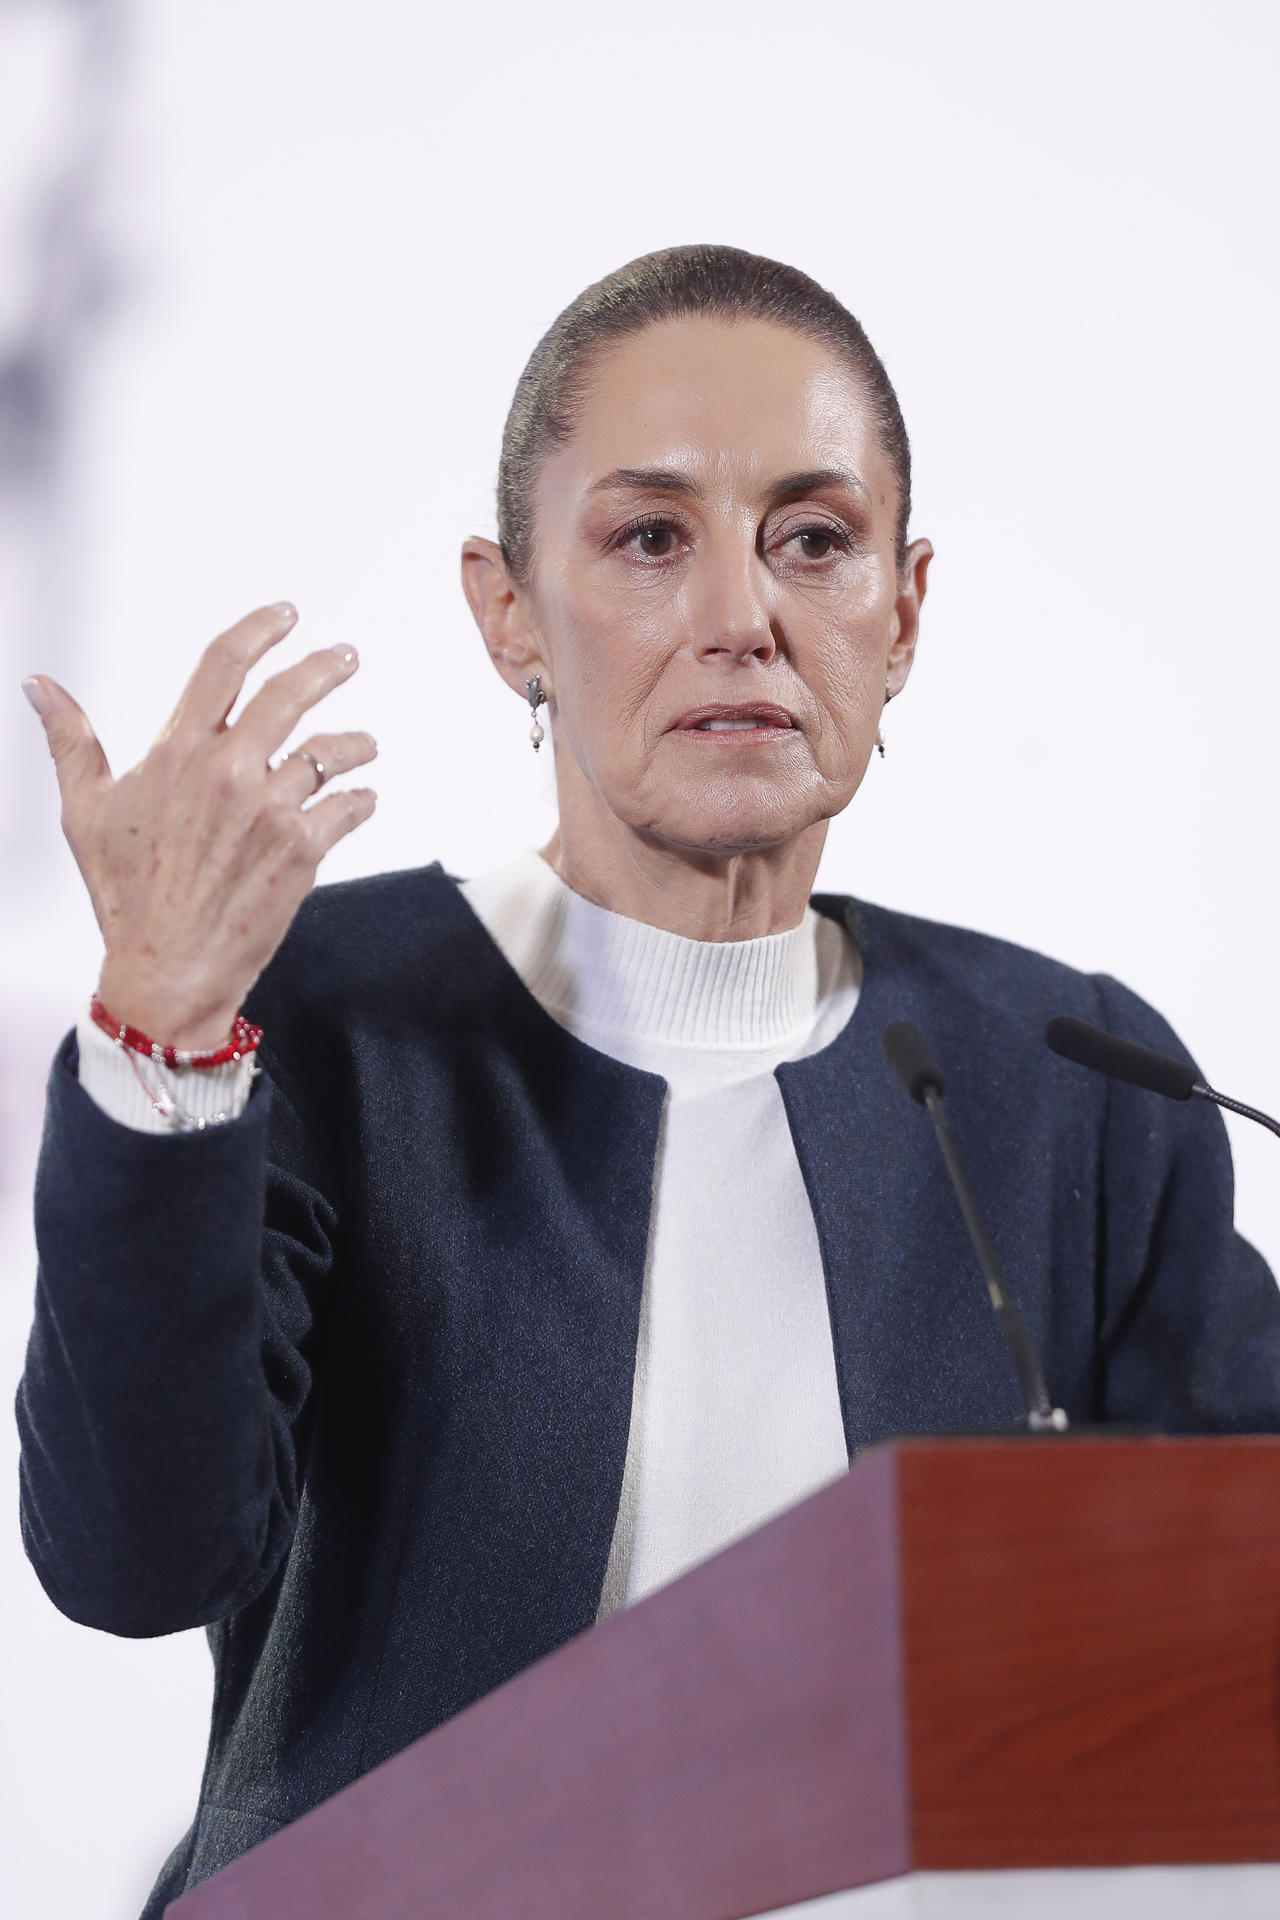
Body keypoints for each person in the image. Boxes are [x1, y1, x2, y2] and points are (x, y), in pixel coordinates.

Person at [15, 244, 1280, 1915]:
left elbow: (1233, 1660)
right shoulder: (309, 1016)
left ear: (898, 618)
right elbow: (132, 1561)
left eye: (813, 542)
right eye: (650, 539)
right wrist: (166, 1037)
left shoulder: (1069, 1082)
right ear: (509, 612)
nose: (742, 615)